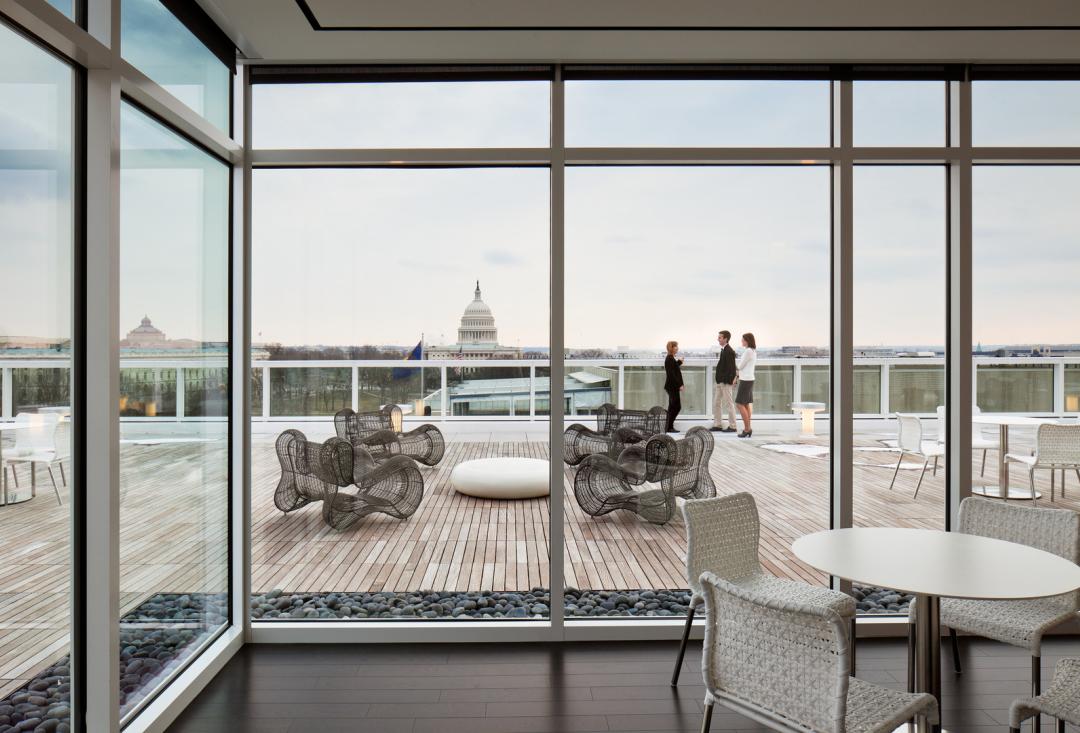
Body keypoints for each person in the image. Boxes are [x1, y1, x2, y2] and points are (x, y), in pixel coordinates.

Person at [711, 330, 738, 433]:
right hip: (720, 382)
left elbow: (731, 368)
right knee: (716, 403)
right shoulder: (724, 350)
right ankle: (717, 424)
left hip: (725, 382)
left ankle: (733, 426)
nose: (718, 339)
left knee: (729, 403)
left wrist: (728, 381)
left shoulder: (729, 351)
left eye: (720, 337)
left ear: (725, 339)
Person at [735, 332, 757, 438]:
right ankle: (748, 428)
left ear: (747, 340)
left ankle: (747, 429)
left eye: (743, 340)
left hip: (746, 380)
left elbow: (740, 366)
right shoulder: (752, 351)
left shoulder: (748, 351)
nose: (741, 341)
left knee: (739, 404)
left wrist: (736, 366)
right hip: (749, 379)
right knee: (746, 404)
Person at [663, 340, 683, 433]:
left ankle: (668, 426)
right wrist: (680, 385)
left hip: (671, 386)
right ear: (672, 348)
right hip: (672, 387)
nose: (677, 348)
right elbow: (672, 374)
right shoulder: (669, 358)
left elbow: (674, 368)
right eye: (676, 346)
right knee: (676, 407)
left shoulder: (670, 358)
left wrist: (679, 362)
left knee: (672, 407)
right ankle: (669, 426)